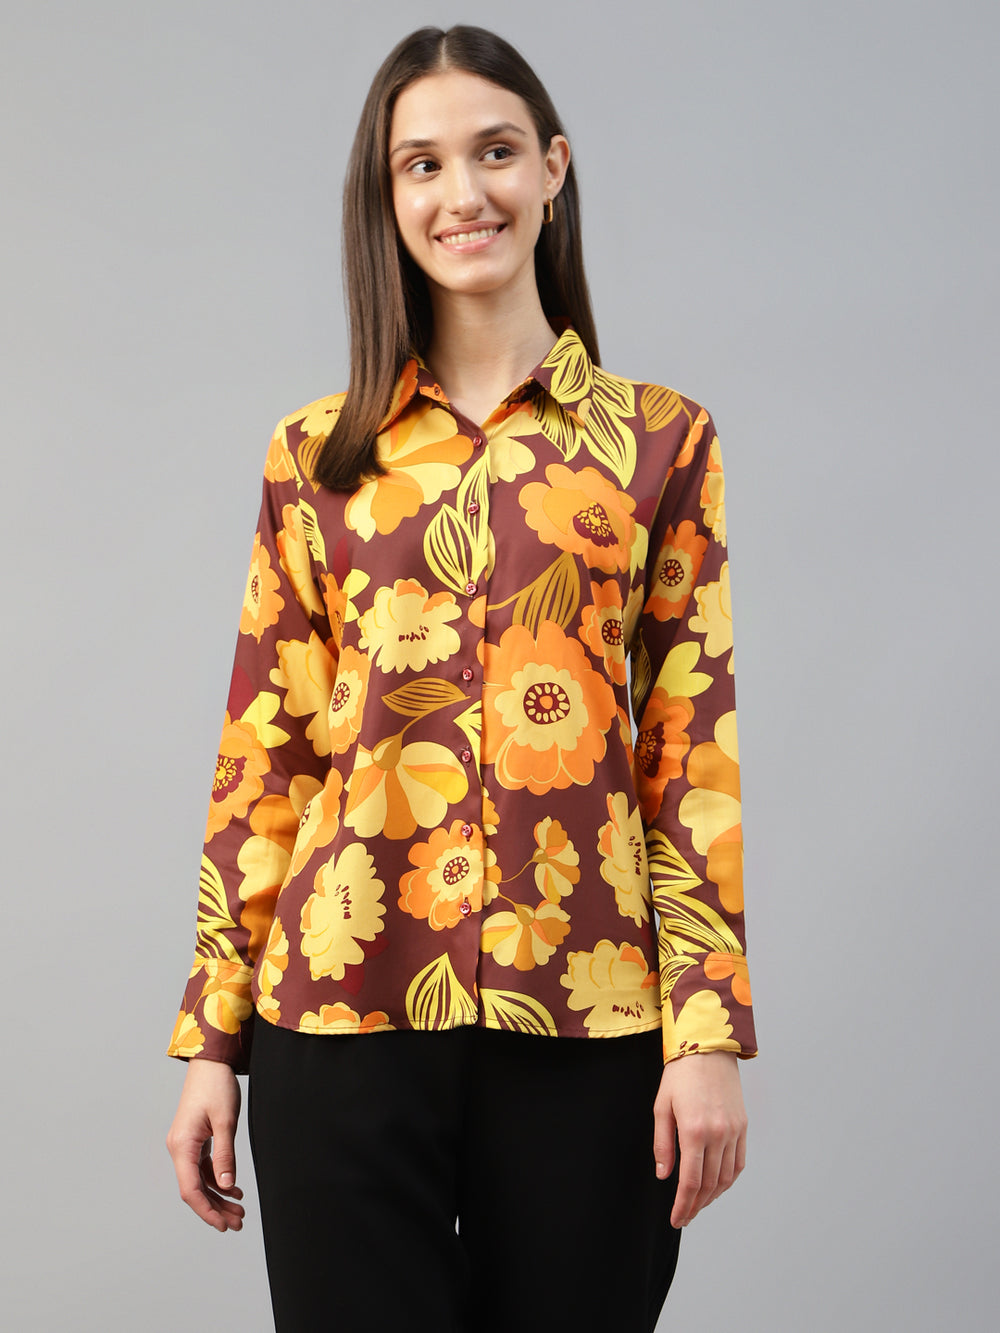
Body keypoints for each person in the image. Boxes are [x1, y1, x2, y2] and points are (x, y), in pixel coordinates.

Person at [166, 24, 757, 1333]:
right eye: (421, 164)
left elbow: (689, 751)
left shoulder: (663, 442)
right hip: (340, 1012)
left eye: (494, 152)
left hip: (589, 1019)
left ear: (553, 168)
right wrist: (211, 1039)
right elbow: (267, 754)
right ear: (387, 198)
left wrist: (707, 1030)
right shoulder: (316, 454)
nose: (462, 192)